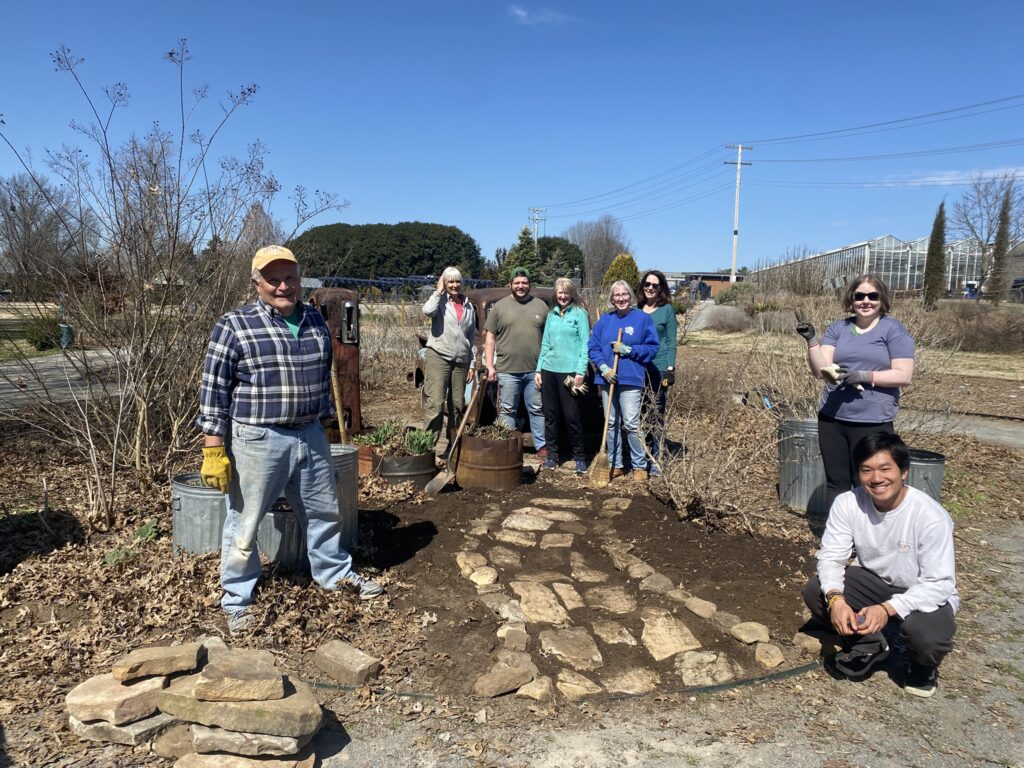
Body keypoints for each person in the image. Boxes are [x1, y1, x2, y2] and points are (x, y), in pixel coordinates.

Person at [197, 245, 383, 635]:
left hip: (310, 433)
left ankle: (334, 575)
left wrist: (326, 424)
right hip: (258, 437)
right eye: (273, 278)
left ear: (300, 279)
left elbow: (322, 375)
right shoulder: (235, 325)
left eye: (290, 278)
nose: (283, 286)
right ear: (256, 282)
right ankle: (237, 598)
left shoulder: (314, 319)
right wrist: (214, 446)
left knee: (323, 512)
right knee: (245, 521)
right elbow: (214, 387)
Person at [802, 432, 957, 698]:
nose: (876, 478)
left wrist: (887, 609)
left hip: (922, 592)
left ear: (904, 471)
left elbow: (939, 584)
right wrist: (836, 599)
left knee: (925, 635)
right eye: (867, 470)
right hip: (874, 583)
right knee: (817, 590)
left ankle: (923, 666)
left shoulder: (930, 516)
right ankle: (868, 644)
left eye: (886, 469)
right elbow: (831, 557)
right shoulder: (848, 503)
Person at [796, 274, 915, 509]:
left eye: (873, 296)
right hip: (832, 418)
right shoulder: (839, 328)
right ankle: (837, 541)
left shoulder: (893, 329)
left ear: (882, 299)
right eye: (860, 296)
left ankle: (868, 539)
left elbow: (904, 375)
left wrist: (865, 376)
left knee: (868, 482)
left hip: (872, 421)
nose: (866, 301)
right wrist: (811, 341)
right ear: (852, 299)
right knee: (836, 483)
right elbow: (821, 370)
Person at [588, 280, 659, 479]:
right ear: (612, 298)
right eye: (617, 295)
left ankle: (639, 466)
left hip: (631, 378)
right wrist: (603, 368)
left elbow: (652, 348)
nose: (621, 298)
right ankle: (616, 463)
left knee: (630, 423)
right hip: (607, 380)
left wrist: (629, 350)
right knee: (610, 423)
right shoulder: (605, 320)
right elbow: (593, 347)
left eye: (624, 294)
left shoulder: (642, 319)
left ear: (631, 296)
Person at [484, 267, 547, 457]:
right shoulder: (499, 307)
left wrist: (544, 368)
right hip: (507, 370)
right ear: (510, 284)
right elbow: (490, 338)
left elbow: (549, 338)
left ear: (529, 285)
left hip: (534, 371)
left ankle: (541, 447)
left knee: (536, 409)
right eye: (517, 283)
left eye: (524, 283)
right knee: (507, 409)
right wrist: (490, 365)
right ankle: (507, 447)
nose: (521, 286)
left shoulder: (541, 306)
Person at [534, 277, 590, 475]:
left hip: (570, 373)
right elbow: (545, 344)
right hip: (550, 370)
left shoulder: (579, 314)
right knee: (550, 416)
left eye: (566, 293)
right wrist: (539, 369)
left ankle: (580, 458)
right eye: (560, 293)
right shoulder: (552, 314)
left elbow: (585, 344)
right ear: (555, 295)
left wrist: (580, 371)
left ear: (571, 294)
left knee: (572, 416)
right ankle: (552, 456)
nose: (563, 296)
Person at [421, 267, 477, 452]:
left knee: (457, 406)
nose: (454, 285)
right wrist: (438, 291)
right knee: (436, 404)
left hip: (461, 360)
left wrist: (472, 363)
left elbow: (471, 337)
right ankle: (427, 449)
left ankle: (452, 448)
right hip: (439, 356)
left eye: (457, 281)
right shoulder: (440, 301)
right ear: (444, 283)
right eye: (450, 281)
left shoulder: (469, 305)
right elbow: (427, 311)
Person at [637, 269, 677, 475]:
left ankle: (656, 457)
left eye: (655, 285)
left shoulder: (666, 310)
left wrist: (670, 368)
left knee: (656, 411)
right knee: (640, 412)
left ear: (661, 288)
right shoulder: (636, 309)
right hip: (636, 368)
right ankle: (640, 455)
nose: (650, 288)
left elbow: (671, 341)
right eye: (647, 285)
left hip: (658, 367)